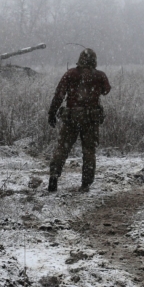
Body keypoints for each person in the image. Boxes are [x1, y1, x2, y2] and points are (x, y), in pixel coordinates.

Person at [47, 48, 111, 192]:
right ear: (94, 60)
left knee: (62, 148)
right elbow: (106, 90)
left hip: (71, 117)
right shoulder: (100, 76)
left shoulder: (70, 74)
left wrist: (52, 113)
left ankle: (54, 176)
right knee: (89, 151)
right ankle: (85, 184)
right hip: (91, 119)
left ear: (80, 59)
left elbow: (59, 95)